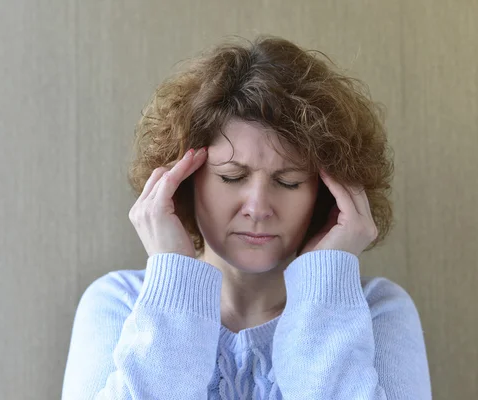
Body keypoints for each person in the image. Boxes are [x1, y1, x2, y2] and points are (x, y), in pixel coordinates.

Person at [61, 35, 431, 399]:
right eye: (232, 177)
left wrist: (326, 283)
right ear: (185, 182)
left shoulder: (378, 309)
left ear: (326, 193)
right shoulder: (118, 302)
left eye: (288, 182)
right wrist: (174, 274)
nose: (257, 207)